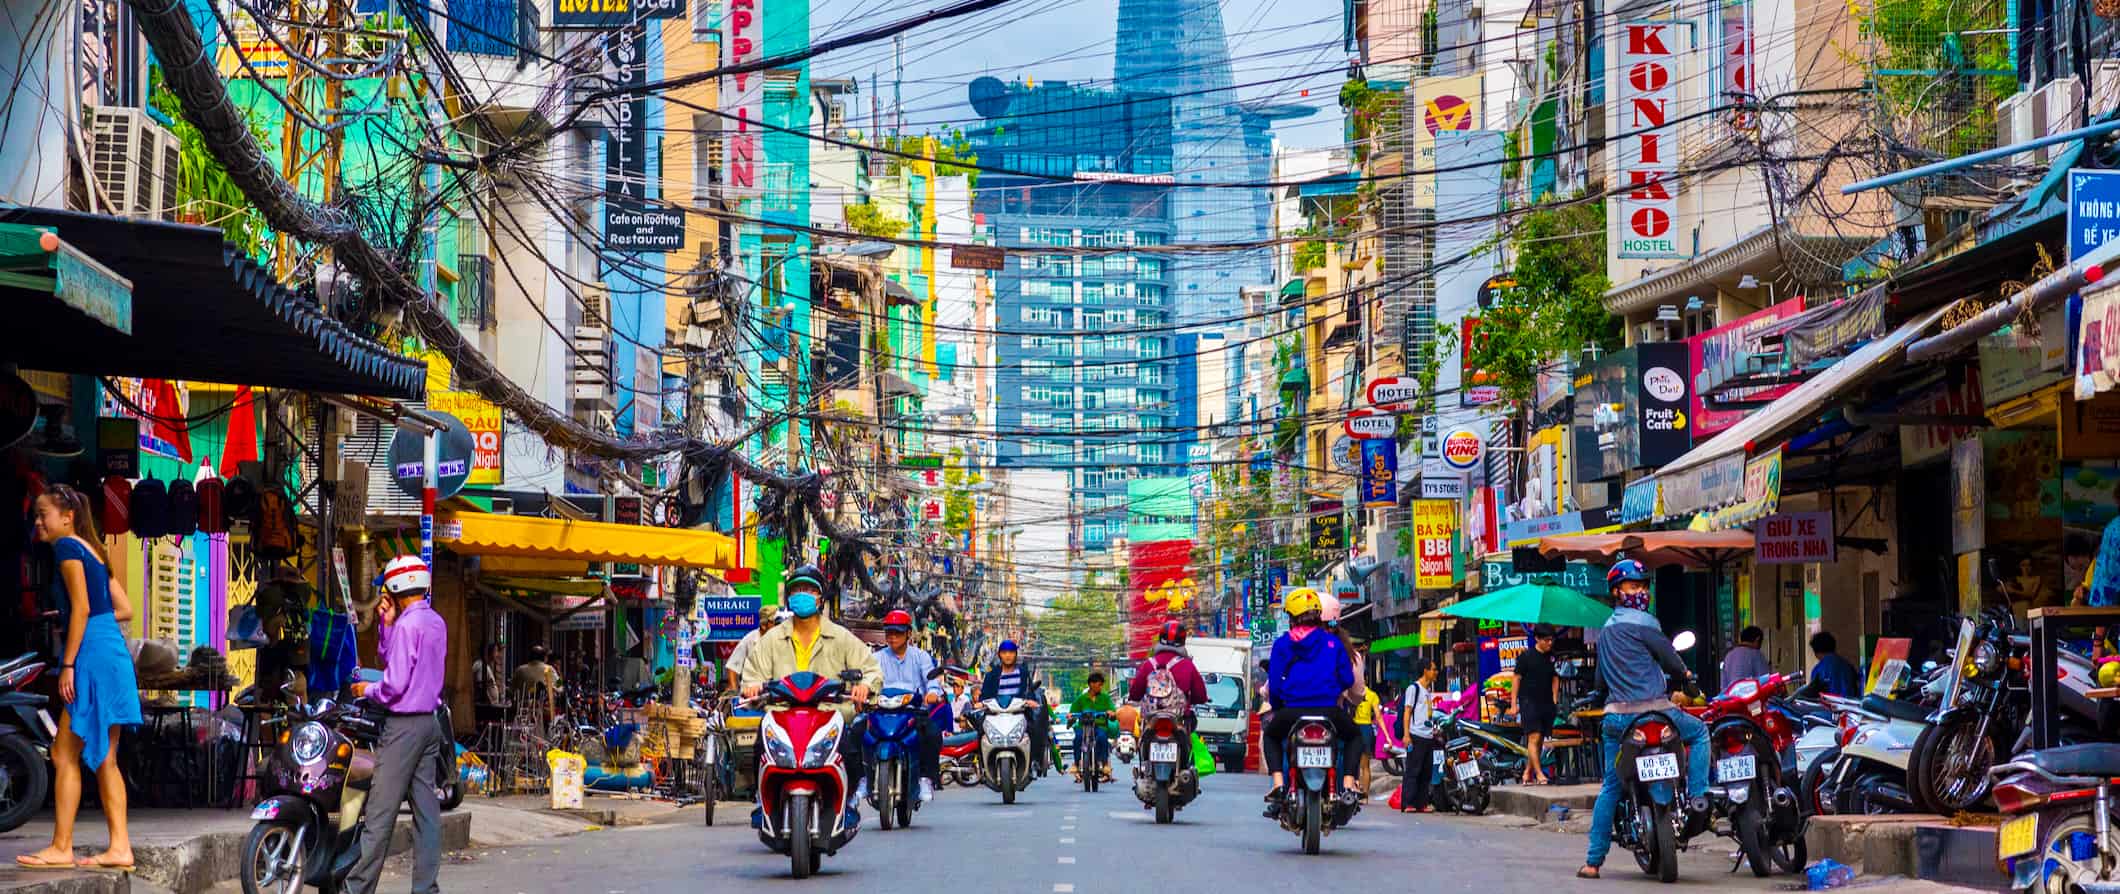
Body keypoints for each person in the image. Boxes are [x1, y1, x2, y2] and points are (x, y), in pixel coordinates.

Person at [16, 484, 141, 872]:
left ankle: (61, 846)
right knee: (104, 757)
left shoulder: (68, 547)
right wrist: (69, 617)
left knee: (63, 753)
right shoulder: (94, 550)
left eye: (43, 514)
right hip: (110, 652)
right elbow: (123, 609)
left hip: (91, 654)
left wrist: (68, 663)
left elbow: (85, 608)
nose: (39, 522)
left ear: (67, 517)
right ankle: (119, 847)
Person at [1580, 559, 1709, 880]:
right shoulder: (1646, 624)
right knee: (1701, 733)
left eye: (1643, 585)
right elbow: (1672, 661)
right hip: (1657, 712)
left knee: (1611, 786)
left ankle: (1593, 863)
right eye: (1633, 586)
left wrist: (1597, 695)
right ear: (1616, 591)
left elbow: (1599, 682)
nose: (1640, 591)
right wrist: (1687, 677)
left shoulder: (1606, 631)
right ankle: (1697, 798)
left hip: (1618, 721)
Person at [740, 564, 881, 832]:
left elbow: (871, 669)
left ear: (820, 597)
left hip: (830, 714)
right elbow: (751, 674)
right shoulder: (771, 639)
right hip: (782, 715)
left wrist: (865, 686)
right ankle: (763, 799)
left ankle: (848, 799)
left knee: (851, 746)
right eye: (797, 590)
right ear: (788, 597)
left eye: (809, 590)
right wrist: (752, 686)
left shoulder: (840, 637)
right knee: (760, 743)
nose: (802, 595)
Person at [347, 555, 449, 894]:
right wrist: (387, 624)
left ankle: (356, 889)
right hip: (429, 725)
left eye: (388, 587)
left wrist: (367, 689)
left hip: (403, 727)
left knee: (379, 813)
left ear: (396, 586)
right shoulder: (435, 623)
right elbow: (396, 661)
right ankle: (425, 889)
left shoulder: (409, 626)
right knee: (426, 814)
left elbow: (393, 683)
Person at [1261, 588, 1361, 816]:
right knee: (1354, 736)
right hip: (1328, 711)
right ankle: (1347, 785)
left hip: (1292, 712)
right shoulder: (1333, 644)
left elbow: (1275, 687)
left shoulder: (1282, 645)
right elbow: (1347, 679)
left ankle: (1278, 784)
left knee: (1271, 736)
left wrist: (1279, 710)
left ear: (1292, 618)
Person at [861, 609, 943, 803]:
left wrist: (932, 693)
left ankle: (925, 778)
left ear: (908, 634)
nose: (892, 637)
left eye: (897, 632)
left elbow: (931, 679)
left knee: (932, 734)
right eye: (889, 632)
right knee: (857, 732)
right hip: (882, 712)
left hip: (913, 712)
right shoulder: (878, 657)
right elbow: (869, 677)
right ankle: (863, 778)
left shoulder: (921, 656)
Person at [1126, 621, 1210, 728]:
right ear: (1182, 641)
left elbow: (1135, 693)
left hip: (1151, 721)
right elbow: (1200, 695)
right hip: (1179, 720)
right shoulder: (1187, 665)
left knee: (1141, 739)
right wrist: (1190, 700)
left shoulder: (1149, 664)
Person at [980, 640, 1048, 768]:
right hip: (996, 713)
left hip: (1018, 711)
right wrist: (981, 703)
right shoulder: (991, 674)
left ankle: (1034, 761)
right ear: (1000, 655)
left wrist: (1030, 701)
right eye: (1004, 652)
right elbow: (985, 694)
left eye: (1011, 652)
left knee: (1034, 729)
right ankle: (982, 764)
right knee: (980, 730)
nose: (1008, 656)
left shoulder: (1022, 672)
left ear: (1015, 654)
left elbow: (1028, 691)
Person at [1515, 625, 1561, 785]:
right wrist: (1513, 704)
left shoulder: (1550, 657)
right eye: (1547, 640)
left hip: (1546, 702)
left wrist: (1555, 697)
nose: (1550, 643)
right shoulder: (1525, 657)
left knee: (1540, 739)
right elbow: (1516, 679)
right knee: (1533, 737)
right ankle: (1539, 773)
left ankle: (1527, 772)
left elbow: (1555, 677)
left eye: (1551, 640)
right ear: (1537, 639)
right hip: (1529, 701)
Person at [1396, 659, 1440, 812]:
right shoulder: (1413, 689)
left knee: (1426, 771)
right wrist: (1406, 735)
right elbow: (1407, 712)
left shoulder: (1427, 691)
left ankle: (1422, 803)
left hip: (1428, 736)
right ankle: (1408, 803)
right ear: (1425, 671)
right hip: (1416, 735)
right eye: (1433, 669)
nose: (1436, 672)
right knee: (1413, 770)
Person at [1068, 672, 1118, 782]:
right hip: (1083, 727)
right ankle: (1076, 764)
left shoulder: (1105, 698)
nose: (1101, 687)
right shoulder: (1081, 699)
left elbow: (1113, 714)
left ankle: (1105, 764)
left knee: (1102, 738)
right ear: (1091, 684)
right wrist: (1071, 716)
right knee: (1078, 738)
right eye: (1099, 684)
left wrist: (1112, 714)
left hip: (1099, 727)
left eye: (1101, 685)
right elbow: (1072, 714)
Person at [726, 607, 784, 682]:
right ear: (763, 625)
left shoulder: (782, 638)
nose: (778, 626)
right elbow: (732, 667)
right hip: (752, 689)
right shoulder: (750, 640)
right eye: (775, 623)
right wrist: (734, 689)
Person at [1803, 631, 1862, 699]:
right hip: (1850, 707)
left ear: (1816, 652)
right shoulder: (1848, 666)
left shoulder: (1818, 670)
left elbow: (1813, 696)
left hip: (1828, 708)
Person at [510, 643, 559, 723]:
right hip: (543, 712)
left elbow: (511, 689)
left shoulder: (520, 670)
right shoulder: (549, 669)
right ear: (544, 658)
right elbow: (560, 686)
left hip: (522, 711)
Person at [1352, 682, 1381, 794]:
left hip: (1355, 727)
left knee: (1355, 764)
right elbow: (1378, 716)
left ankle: (1357, 791)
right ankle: (1364, 795)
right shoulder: (1372, 695)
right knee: (1365, 765)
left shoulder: (1351, 694)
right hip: (1366, 729)